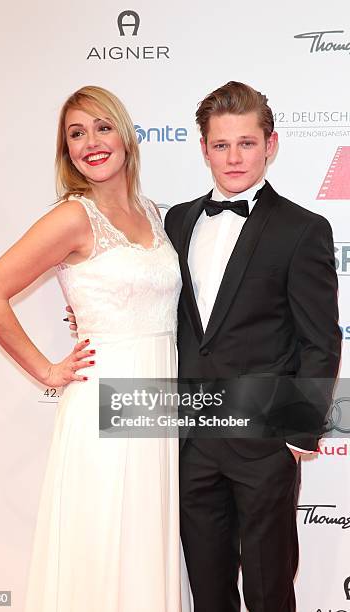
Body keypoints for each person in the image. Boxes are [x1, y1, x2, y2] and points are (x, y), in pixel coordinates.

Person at [0, 86, 190, 612]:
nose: (91, 142)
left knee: (142, 533)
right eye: (76, 133)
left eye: (101, 127)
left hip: (157, 400)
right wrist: (46, 369)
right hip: (103, 399)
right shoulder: (72, 217)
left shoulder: (155, 214)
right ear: (66, 151)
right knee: (103, 537)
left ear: (125, 135)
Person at [163, 81, 342, 611]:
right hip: (192, 442)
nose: (234, 156)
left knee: (268, 591)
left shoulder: (302, 229)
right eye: (221, 145)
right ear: (203, 149)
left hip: (264, 444)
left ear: (272, 144)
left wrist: (296, 432)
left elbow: (320, 339)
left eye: (246, 143)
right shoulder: (177, 221)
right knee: (208, 593)